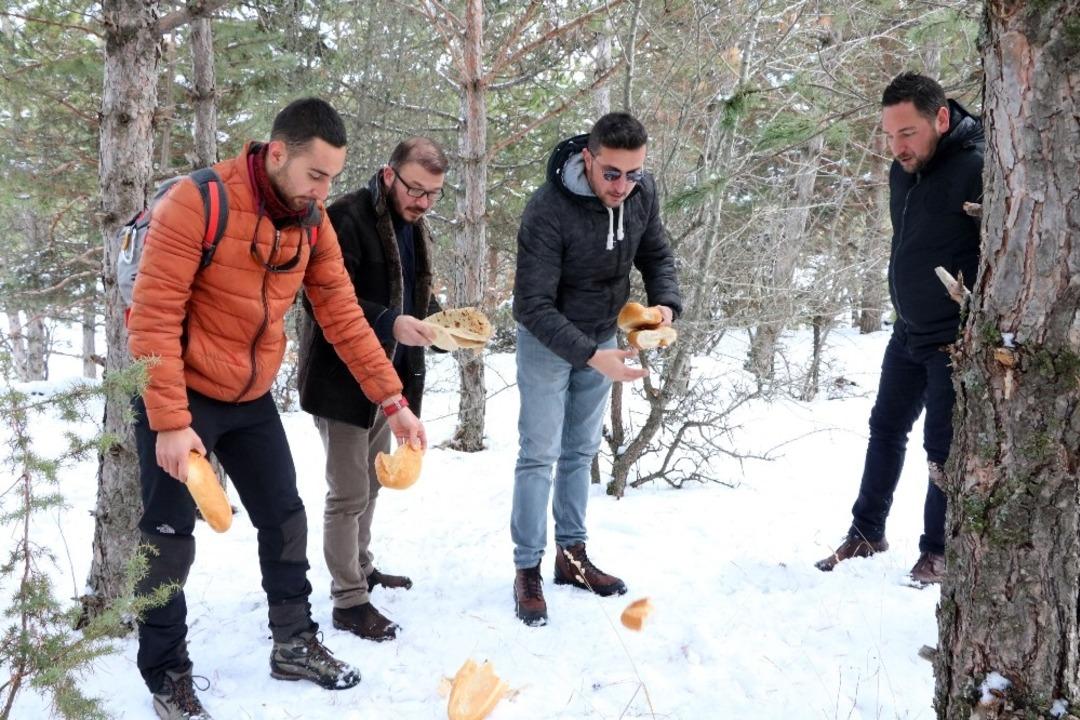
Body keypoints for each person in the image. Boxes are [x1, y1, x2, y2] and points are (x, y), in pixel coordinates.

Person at [127, 98, 426, 720]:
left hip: (249, 395)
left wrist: (391, 399)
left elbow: (342, 315)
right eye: (316, 175)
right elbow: (151, 318)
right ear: (279, 151)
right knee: (168, 541)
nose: (324, 191)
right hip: (180, 395)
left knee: (285, 518)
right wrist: (171, 423)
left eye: (334, 180)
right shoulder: (197, 203)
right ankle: (166, 673)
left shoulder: (311, 222)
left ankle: (293, 643)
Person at [510, 112, 683, 626]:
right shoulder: (547, 211)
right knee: (539, 453)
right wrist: (590, 354)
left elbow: (656, 254)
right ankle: (527, 570)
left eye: (633, 174)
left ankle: (571, 557)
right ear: (587, 157)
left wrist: (665, 303)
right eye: (612, 173)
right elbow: (532, 306)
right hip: (549, 341)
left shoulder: (640, 195)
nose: (623, 186)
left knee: (580, 451)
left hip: (603, 335)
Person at [815, 72, 984, 584]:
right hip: (907, 329)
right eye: (889, 135)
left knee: (943, 450)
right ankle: (867, 532)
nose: (897, 146)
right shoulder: (902, 169)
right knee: (885, 429)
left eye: (907, 133)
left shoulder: (979, 167)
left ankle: (937, 551)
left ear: (941, 118)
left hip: (951, 338)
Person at [297, 137, 447, 643]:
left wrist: (441, 327)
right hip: (340, 381)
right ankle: (348, 600)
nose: (423, 202)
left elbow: (411, 297)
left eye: (432, 194)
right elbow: (323, 301)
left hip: (389, 385)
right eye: (415, 189)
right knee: (348, 493)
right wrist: (391, 323)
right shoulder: (345, 217)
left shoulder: (412, 227)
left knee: (374, 482)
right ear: (388, 175)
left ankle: (361, 568)